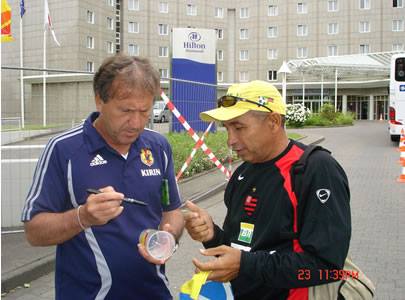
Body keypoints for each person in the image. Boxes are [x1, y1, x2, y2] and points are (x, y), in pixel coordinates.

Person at [21, 54, 184, 300]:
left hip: (155, 293)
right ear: (100, 100)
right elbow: (34, 231)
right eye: (126, 110)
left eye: (144, 111)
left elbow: (172, 211)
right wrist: (83, 216)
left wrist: (169, 237)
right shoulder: (64, 150)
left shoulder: (158, 146)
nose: (136, 122)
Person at [184, 80, 351, 299]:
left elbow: (326, 266)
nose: (230, 141)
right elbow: (243, 247)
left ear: (273, 122)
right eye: (227, 128)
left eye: (239, 127)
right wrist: (212, 235)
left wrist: (245, 265)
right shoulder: (243, 173)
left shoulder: (316, 169)